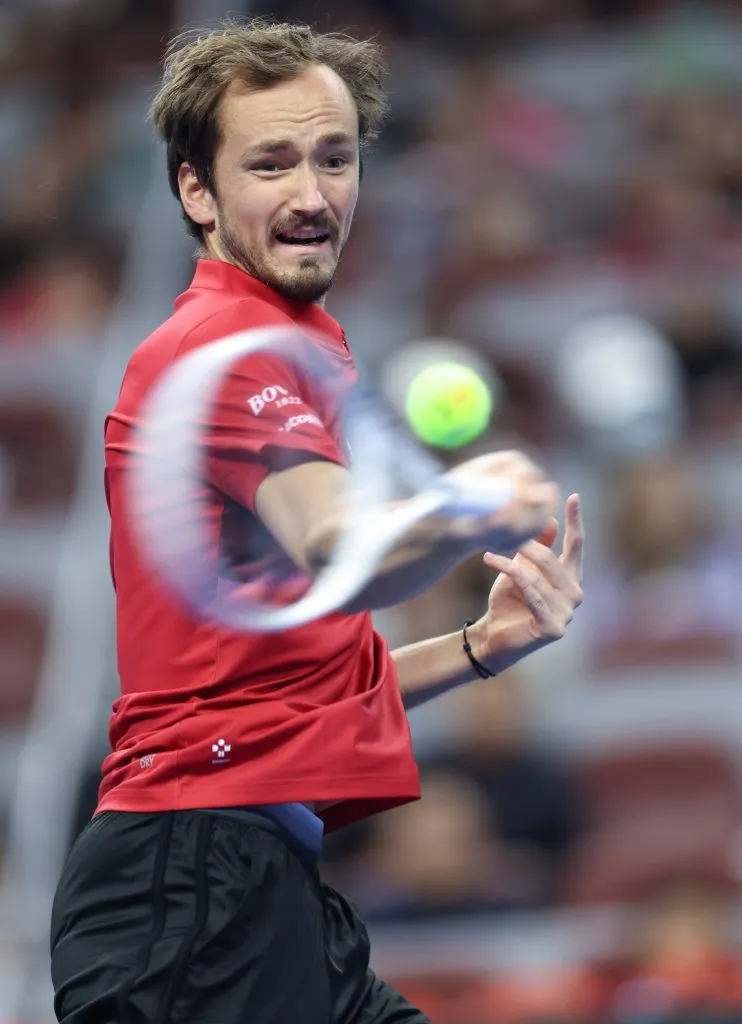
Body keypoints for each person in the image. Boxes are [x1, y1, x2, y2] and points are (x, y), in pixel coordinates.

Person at [50, 19, 584, 1024]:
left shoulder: (297, 344)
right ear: (195, 191)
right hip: (193, 890)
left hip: (259, 877)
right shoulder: (227, 348)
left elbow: (293, 688)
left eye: (334, 158)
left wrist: (479, 646)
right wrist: (463, 503)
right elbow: (339, 547)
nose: (312, 195)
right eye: (271, 163)